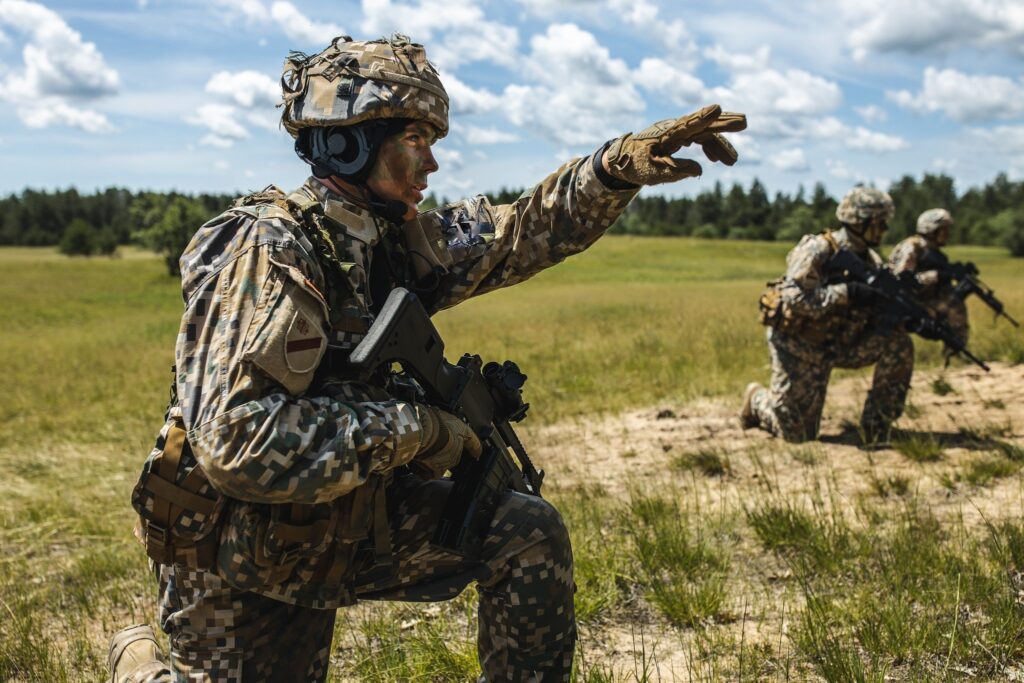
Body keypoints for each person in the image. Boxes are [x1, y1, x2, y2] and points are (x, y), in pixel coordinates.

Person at [109, 34, 746, 682]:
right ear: (349, 140)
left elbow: (521, 230)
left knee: (525, 529)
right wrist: (421, 430)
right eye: (416, 140)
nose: (432, 164)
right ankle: (138, 666)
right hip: (237, 544)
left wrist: (612, 168)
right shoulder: (269, 251)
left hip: (338, 514)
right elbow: (241, 446)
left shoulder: (389, 240)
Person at [741, 186, 913, 444]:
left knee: (898, 343)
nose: (884, 230)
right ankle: (757, 401)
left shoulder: (872, 261)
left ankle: (877, 425)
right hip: (800, 347)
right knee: (799, 435)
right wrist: (846, 292)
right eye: (879, 224)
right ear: (858, 221)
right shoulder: (819, 250)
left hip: (841, 343)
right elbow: (795, 298)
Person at [888, 208, 969, 349]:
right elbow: (901, 278)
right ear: (932, 230)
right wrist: (937, 275)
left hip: (923, 300)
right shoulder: (913, 246)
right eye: (943, 230)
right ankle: (955, 347)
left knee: (954, 301)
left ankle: (955, 347)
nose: (947, 234)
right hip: (905, 303)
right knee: (953, 306)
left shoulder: (934, 253)